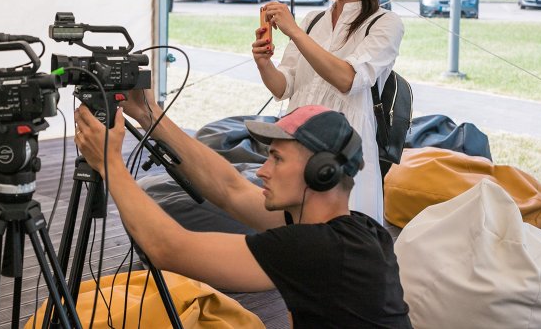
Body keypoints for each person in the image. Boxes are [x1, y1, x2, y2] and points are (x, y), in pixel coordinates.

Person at [74, 98, 412, 328]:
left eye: (277, 158)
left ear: (319, 172)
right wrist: (151, 115)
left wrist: (109, 163)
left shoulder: (318, 249)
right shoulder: (354, 229)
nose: (262, 170)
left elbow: (168, 248)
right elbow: (230, 190)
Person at [253, 0, 404, 221]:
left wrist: (294, 31)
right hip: (298, 146)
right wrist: (264, 63)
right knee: (295, 237)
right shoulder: (314, 21)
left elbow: (349, 79)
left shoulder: (385, 24)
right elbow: (283, 88)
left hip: (345, 155)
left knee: (342, 239)